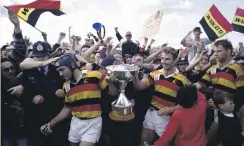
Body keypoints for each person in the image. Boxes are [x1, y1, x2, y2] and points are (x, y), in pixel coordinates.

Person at [44, 54, 118, 146]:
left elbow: (113, 93)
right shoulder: (66, 86)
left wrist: (111, 82)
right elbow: (67, 108)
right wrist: (52, 123)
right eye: (58, 71)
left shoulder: (95, 76)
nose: (60, 74)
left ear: (71, 65)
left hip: (93, 122)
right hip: (75, 123)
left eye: (62, 69)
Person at [133, 47, 190, 146]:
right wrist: (134, 75)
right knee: (143, 142)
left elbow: (188, 102)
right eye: (162, 58)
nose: (164, 61)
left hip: (167, 118)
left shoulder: (182, 79)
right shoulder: (155, 74)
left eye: (167, 59)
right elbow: (139, 87)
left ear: (175, 60)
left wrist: (172, 109)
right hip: (151, 113)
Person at [20, 41, 69, 146]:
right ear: (33, 57)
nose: (41, 59)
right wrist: (31, 98)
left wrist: (63, 92)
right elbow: (23, 92)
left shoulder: (56, 69)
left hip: (55, 118)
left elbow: (67, 85)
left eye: (43, 56)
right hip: (35, 119)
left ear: (49, 56)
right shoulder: (28, 71)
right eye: (37, 57)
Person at [2, 58, 27, 146]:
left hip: (22, 133)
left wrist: (23, 86)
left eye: (12, 68)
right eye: (6, 69)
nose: (10, 71)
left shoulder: (22, 80)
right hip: (5, 134)